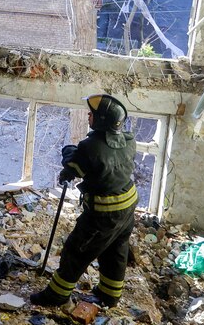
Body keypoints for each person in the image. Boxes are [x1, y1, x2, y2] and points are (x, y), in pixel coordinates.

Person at [30, 94, 137, 308]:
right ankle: (109, 294)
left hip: (104, 213)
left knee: (76, 250)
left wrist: (70, 154)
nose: (89, 115)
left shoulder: (90, 146)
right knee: (116, 250)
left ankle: (56, 295)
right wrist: (76, 153)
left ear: (101, 120)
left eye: (93, 114)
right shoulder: (128, 140)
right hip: (127, 208)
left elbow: (75, 169)